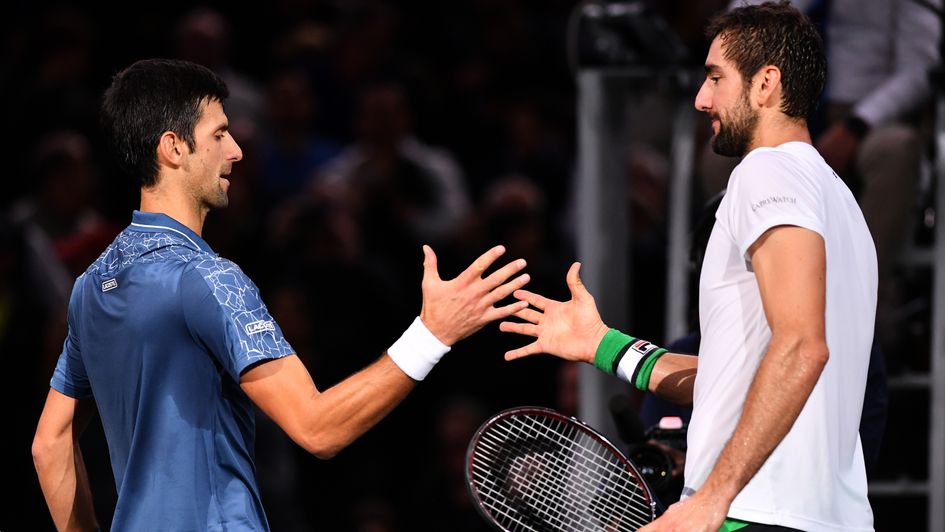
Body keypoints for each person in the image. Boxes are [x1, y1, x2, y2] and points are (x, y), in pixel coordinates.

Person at [30, 58, 531, 531]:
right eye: (219, 134)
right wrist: (432, 333)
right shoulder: (209, 278)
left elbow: (50, 445)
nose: (237, 151)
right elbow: (319, 429)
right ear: (173, 147)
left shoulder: (91, 285)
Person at [501, 3, 876, 531]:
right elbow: (745, 378)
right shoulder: (840, 201)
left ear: (766, 83)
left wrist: (712, 499)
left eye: (716, 78)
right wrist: (602, 345)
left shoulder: (767, 171)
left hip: (754, 514)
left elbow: (802, 347)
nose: (702, 99)